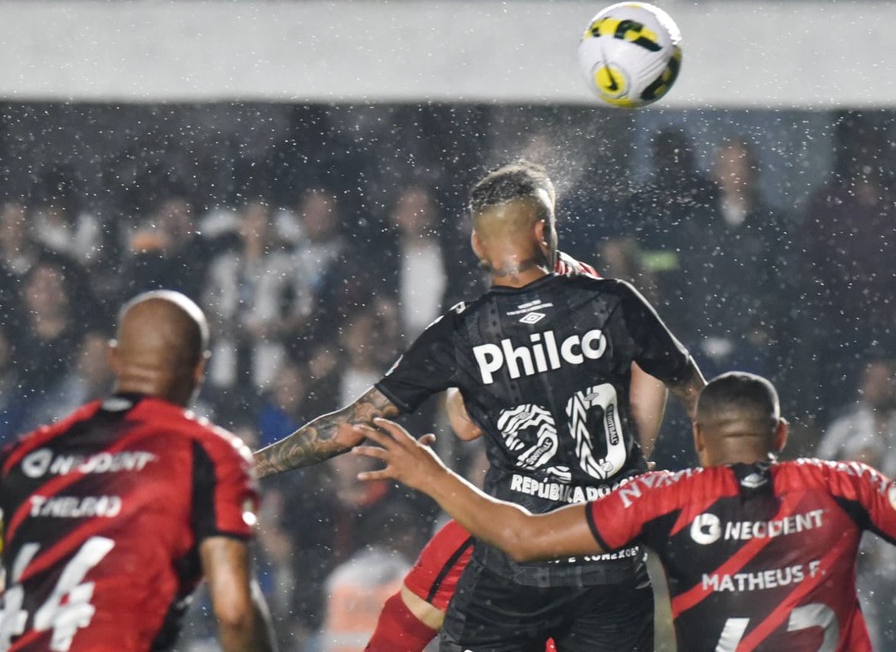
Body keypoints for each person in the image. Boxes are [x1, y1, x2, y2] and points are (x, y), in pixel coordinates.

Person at [254, 160, 706, 651]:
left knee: (423, 604)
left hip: (515, 563)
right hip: (611, 561)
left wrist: (248, 467)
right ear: (545, 232)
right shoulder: (613, 301)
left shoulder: (463, 331)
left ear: (475, 245)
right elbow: (695, 393)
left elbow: (354, 427)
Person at [355, 371, 896, 652]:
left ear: (702, 441)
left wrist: (428, 474)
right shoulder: (844, 484)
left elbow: (519, 536)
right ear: (782, 434)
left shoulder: (666, 498)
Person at [0, 290, 275, 652]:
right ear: (199, 368)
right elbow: (235, 612)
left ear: (114, 357)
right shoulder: (206, 454)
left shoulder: (24, 455)